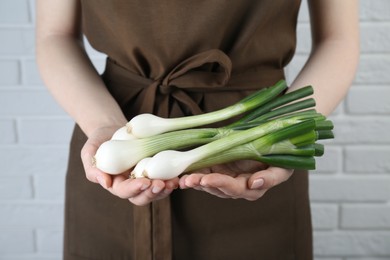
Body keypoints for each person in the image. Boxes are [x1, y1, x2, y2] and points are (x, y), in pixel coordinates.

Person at [36, 0, 359, 259]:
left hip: (258, 148)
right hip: (111, 127)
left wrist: (281, 133)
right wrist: (103, 124)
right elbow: (55, 35)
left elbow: (338, 39)